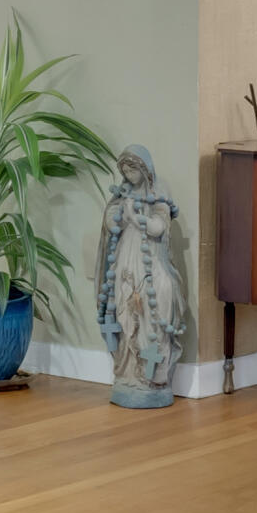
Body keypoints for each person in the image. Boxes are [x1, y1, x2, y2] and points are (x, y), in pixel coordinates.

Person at [97, 146, 188, 409]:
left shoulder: (157, 195)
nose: (129, 174)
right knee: (126, 310)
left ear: (145, 169)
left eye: (133, 168)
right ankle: (128, 373)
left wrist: (137, 219)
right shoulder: (122, 195)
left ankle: (152, 375)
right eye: (125, 170)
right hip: (126, 259)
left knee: (158, 300)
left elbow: (160, 226)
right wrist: (117, 216)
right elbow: (111, 226)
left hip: (151, 260)